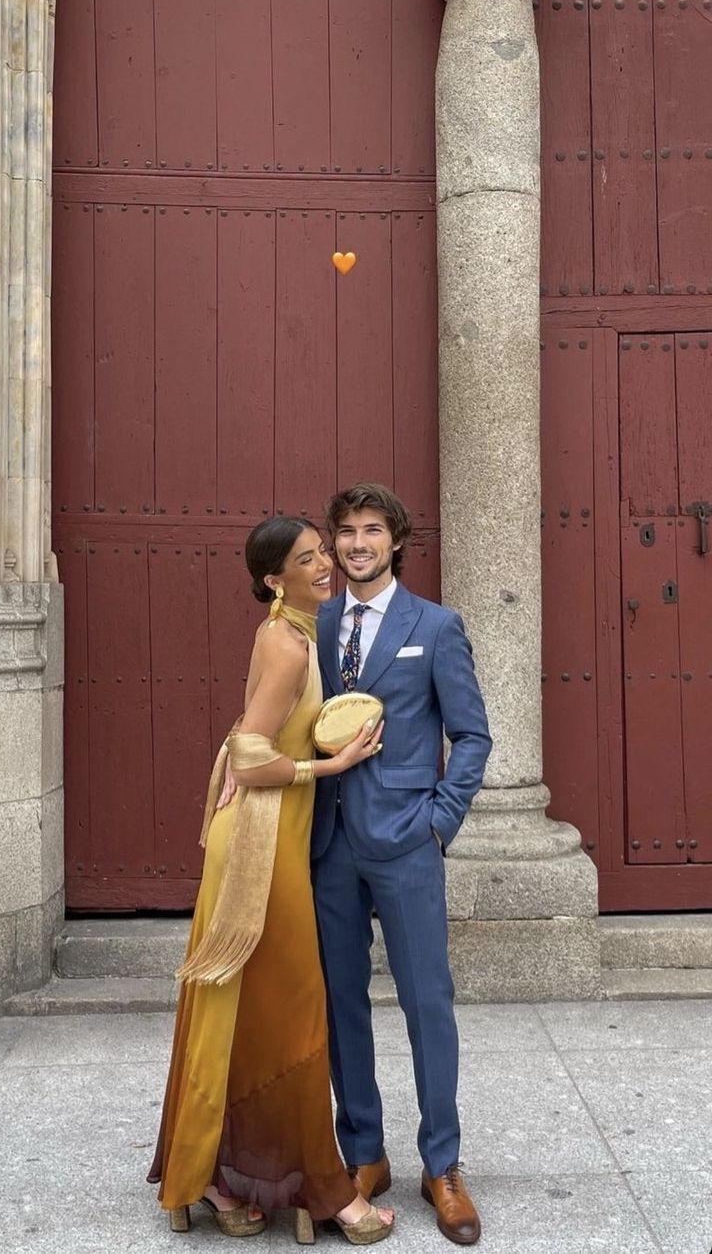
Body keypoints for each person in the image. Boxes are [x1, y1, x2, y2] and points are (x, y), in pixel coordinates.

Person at [148, 516, 394, 1246]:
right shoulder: (287, 644)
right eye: (306, 559)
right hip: (257, 845)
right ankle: (318, 1187)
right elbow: (253, 756)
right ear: (271, 579)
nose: (325, 565)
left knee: (253, 1011)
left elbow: (248, 739)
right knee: (293, 1010)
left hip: (272, 836)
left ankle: (220, 1173)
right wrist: (334, 766)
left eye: (323, 552)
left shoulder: (292, 631)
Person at [312, 483, 492, 1247]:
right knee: (342, 1004)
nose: (357, 543)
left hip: (408, 843)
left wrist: (438, 823)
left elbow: (473, 737)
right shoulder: (318, 624)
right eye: (346, 531)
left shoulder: (436, 627)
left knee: (427, 1003)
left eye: (371, 530)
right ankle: (364, 1154)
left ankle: (442, 1164)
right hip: (330, 843)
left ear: (396, 540)